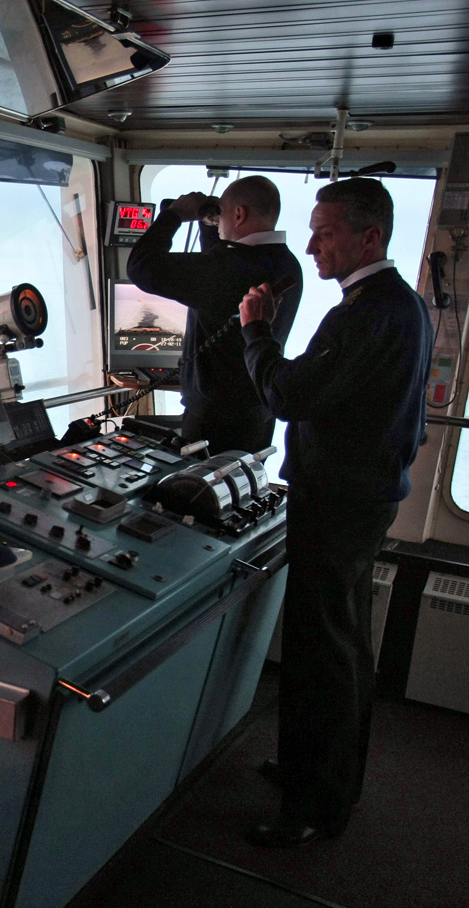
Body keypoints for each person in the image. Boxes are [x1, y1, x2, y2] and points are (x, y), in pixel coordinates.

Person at [238, 178, 433, 847]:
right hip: (365, 499)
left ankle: (316, 808)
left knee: (327, 654)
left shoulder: (363, 313)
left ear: (369, 236)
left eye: (326, 231)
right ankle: (309, 773)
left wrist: (256, 333)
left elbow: (289, 394)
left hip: (339, 505)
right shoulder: (405, 306)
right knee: (340, 646)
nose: (313, 243)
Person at [127, 175, 303, 454]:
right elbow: (218, 271)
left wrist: (173, 216)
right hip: (257, 413)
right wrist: (213, 226)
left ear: (239, 214)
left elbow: (141, 267)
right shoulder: (287, 263)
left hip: (214, 423)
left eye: (221, 214)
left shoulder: (228, 269)